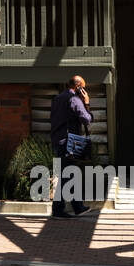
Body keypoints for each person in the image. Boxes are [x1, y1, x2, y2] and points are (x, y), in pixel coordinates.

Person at [49, 75, 93, 218]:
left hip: (58, 141)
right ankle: (58, 210)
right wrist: (86, 103)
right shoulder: (74, 99)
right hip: (69, 143)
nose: (84, 91)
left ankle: (78, 207)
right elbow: (86, 119)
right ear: (78, 87)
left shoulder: (57, 99)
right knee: (67, 175)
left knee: (70, 174)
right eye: (83, 88)